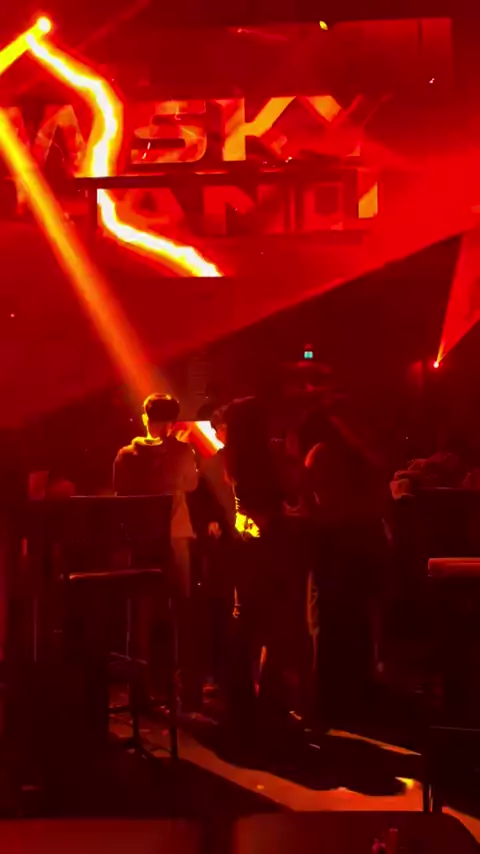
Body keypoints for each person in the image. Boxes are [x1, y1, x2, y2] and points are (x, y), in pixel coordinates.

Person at [303, 408, 389, 728]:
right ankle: (356, 691)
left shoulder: (322, 453)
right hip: (358, 536)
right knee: (356, 615)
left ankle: (331, 695)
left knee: (330, 617)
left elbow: (306, 492)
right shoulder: (362, 453)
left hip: (334, 537)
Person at [113, 393, 200, 709]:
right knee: (182, 610)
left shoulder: (126, 455)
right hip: (176, 536)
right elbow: (191, 484)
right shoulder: (183, 452)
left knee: (140, 615)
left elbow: (120, 495)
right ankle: (187, 689)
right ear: (173, 422)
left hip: (140, 539)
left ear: (145, 418)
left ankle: (139, 689)